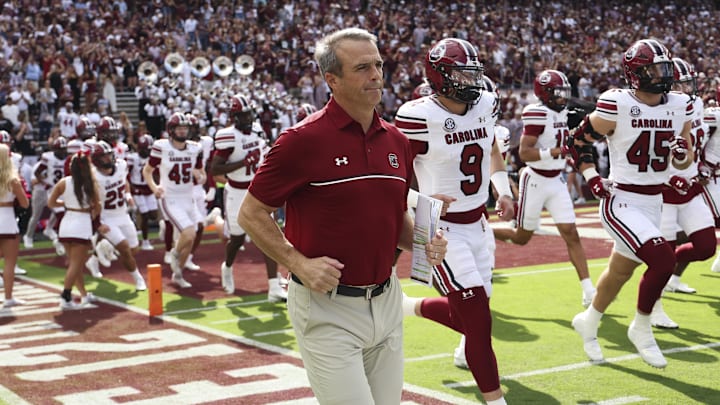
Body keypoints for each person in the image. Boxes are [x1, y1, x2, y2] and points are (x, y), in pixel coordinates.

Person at [238, 28, 448, 404]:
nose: (376, 76)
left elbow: (395, 219)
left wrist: (423, 242)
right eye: (362, 67)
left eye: (379, 65)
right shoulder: (300, 141)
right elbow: (251, 213)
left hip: (386, 300)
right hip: (327, 307)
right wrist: (296, 262)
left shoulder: (397, 140)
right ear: (331, 80)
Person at [394, 38, 513, 405]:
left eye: (473, 72)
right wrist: (419, 199)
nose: (471, 81)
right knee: (478, 321)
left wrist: (502, 188)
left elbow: (491, 147)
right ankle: (496, 400)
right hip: (439, 228)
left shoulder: (486, 104)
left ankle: (409, 307)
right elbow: (390, 176)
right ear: (440, 76)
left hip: (478, 223)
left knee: (475, 316)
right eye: (462, 73)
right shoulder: (416, 115)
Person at [570, 39, 695, 369]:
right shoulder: (617, 104)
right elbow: (577, 140)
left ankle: (590, 321)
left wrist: (682, 156)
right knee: (663, 260)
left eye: (665, 67)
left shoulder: (679, 104)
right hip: (621, 199)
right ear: (635, 74)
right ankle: (641, 328)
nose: (662, 74)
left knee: (620, 271)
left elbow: (685, 157)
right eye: (654, 69)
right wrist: (590, 175)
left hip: (653, 200)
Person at [493, 70, 596, 308]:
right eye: (557, 93)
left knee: (571, 233)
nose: (562, 98)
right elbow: (525, 152)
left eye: (564, 93)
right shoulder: (536, 113)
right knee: (521, 238)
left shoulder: (562, 112)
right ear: (545, 94)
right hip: (536, 179)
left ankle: (588, 289)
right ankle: (490, 232)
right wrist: (556, 152)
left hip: (556, 179)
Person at [210, 94, 287, 301]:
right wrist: (243, 162)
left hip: (257, 191)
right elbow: (215, 168)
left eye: (249, 113)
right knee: (236, 239)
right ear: (235, 117)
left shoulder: (257, 130)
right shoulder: (227, 135)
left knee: (268, 236)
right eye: (243, 115)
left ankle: (273, 287)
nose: (248, 118)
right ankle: (227, 266)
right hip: (235, 192)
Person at [654, 58, 716, 307]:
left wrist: (702, 164)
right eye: (681, 85)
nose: (688, 90)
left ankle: (672, 273)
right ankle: (652, 308)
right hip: (664, 192)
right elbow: (651, 154)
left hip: (690, 187)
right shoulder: (658, 109)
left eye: (690, 84)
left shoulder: (696, 105)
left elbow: (699, 142)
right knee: (661, 258)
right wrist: (670, 176)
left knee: (706, 247)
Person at [143, 112, 205, 289]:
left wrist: (199, 177)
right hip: (170, 197)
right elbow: (147, 170)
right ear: (171, 130)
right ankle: (174, 253)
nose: (183, 131)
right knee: (189, 233)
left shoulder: (195, 148)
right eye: (179, 128)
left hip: (188, 197)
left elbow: (202, 174)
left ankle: (178, 274)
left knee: (190, 239)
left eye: (185, 128)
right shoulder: (162, 147)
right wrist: (155, 188)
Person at [48, 148, 104, 309]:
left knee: (75, 264)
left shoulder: (63, 182)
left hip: (66, 223)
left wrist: (65, 204)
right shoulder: (91, 184)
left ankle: (84, 295)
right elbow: (98, 206)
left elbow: (51, 203)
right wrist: (91, 216)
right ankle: (65, 295)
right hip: (82, 223)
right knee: (75, 264)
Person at [89, 141, 147, 291]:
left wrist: (127, 194)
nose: (109, 159)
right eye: (105, 157)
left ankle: (96, 256)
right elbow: (90, 203)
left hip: (123, 214)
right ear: (97, 160)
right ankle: (138, 278)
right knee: (125, 248)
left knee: (134, 250)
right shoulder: (94, 177)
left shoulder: (121, 165)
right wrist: (97, 224)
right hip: (107, 217)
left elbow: (125, 181)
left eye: (109, 155)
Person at [0, 143, 29, 307]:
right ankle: (8, 298)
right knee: (9, 263)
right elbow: (24, 203)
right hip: (8, 221)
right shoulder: (13, 180)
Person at [127, 134, 157, 250]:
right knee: (144, 215)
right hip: (138, 188)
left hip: (149, 188)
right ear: (139, 148)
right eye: (145, 149)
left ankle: (134, 220)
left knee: (153, 215)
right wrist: (131, 188)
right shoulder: (133, 158)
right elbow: (127, 174)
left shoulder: (151, 158)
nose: (147, 152)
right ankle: (145, 241)